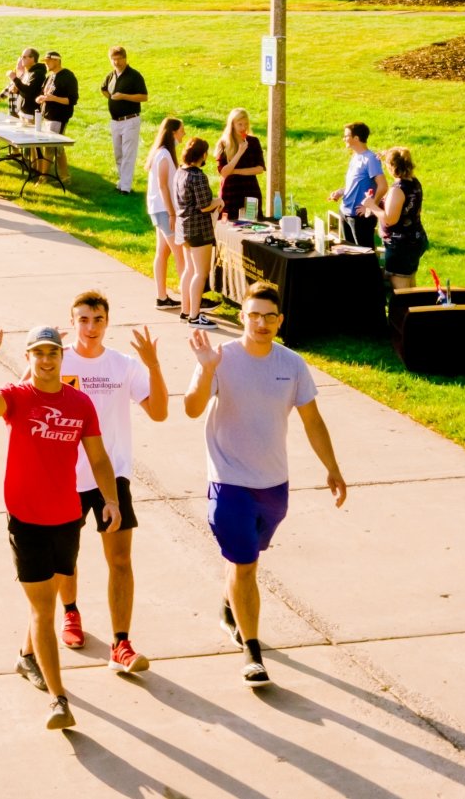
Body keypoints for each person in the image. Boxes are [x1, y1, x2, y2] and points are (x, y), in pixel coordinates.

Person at [182, 283, 347, 687]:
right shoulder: (220, 359)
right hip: (229, 481)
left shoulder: (291, 364)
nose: (261, 323)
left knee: (245, 561)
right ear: (242, 316)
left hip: (274, 486)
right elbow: (190, 408)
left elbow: (313, 421)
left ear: (280, 321)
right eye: (254, 315)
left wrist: (333, 468)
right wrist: (205, 370)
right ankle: (252, 652)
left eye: (269, 316)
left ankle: (228, 606)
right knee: (246, 565)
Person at [0, 317, 121, 731]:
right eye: (40, 353)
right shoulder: (18, 398)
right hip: (28, 518)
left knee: (49, 596)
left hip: (67, 516)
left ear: (60, 355)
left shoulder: (80, 403)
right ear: (29, 357)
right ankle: (59, 699)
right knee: (43, 610)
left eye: (54, 352)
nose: (48, 359)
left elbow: (100, 458)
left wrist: (111, 500)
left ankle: (25, 656)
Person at [55, 291, 169, 672]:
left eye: (98, 320)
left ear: (108, 322)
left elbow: (158, 413)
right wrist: (36, 356)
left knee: (120, 559)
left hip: (112, 476)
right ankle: (70, 613)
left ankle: (121, 644)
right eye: (83, 320)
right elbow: (25, 397)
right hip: (65, 477)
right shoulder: (57, 359)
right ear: (72, 321)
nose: (90, 328)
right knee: (65, 560)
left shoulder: (123, 365)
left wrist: (153, 366)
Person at [174, 138, 222, 327]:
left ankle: (185, 311)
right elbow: (204, 206)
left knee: (189, 270)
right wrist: (218, 202)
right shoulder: (198, 176)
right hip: (199, 229)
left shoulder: (180, 172)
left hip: (183, 227)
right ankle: (195, 316)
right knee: (201, 273)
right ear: (202, 155)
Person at [371, 146, 427, 290]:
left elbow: (390, 219)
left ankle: (404, 312)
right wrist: (387, 154)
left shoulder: (397, 189)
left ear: (391, 167)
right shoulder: (414, 182)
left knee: (401, 289)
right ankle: (417, 311)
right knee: (411, 283)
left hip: (400, 246)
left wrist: (371, 205)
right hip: (415, 239)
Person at [145, 119, 185, 309]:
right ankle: (190, 297)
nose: (183, 135)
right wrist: (171, 213)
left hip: (159, 209)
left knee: (163, 252)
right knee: (180, 254)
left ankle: (162, 297)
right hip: (164, 210)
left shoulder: (161, 153)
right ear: (173, 133)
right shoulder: (164, 155)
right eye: (181, 131)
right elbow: (163, 186)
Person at [329, 122, 385, 247]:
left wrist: (371, 207)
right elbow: (357, 183)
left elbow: (383, 186)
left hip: (360, 217)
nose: (343, 139)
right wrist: (341, 192)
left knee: (364, 257)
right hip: (345, 212)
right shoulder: (355, 156)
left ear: (356, 138)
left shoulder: (370, 159)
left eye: (346, 136)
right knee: (350, 255)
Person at [102, 47, 149, 194]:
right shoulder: (111, 76)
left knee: (128, 153)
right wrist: (110, 97)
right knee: (118, 153)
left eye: (119, 58)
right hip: (115, 120)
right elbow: (103, 89)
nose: (117, 62)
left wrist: (124, 96)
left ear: (125, 58)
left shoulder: (134, 76)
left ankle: (126, 188)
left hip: (130, 119)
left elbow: (143, 97)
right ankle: (121, 182)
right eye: (113, 59)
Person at [216, 108, 266, 219]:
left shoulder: (253, 142)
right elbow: (224, 172)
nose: (243, 128)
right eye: (240, 124)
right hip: (231, 192)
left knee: (252, 223)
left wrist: (236, 171)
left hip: (250, 189)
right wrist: (239, 152)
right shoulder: (224, 144)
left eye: (246, 124)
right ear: (232, 124)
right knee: (229, 225)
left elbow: (260, 168)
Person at [40, 51, 77, 186]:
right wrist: (41, 98)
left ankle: (43, 178)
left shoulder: (68, 76)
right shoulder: (50, 77)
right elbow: (44, 93)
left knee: (50, 149)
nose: (46, 64)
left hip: (58, 117)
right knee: (57, 148)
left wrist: (53, 98)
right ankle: (65, 176)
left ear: (56, 61)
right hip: (47, 116)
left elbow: (72, 100)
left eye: (48, 61)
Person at [3, 48, 47, 125]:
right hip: (22, 112)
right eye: (21, 56)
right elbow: (25, 89)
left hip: (30, 115)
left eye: (24, 57)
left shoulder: (38, 74)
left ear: (32, 58)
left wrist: (14, 78)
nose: (21, 59)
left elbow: (29, 91)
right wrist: (17, 90)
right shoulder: (28, 72)